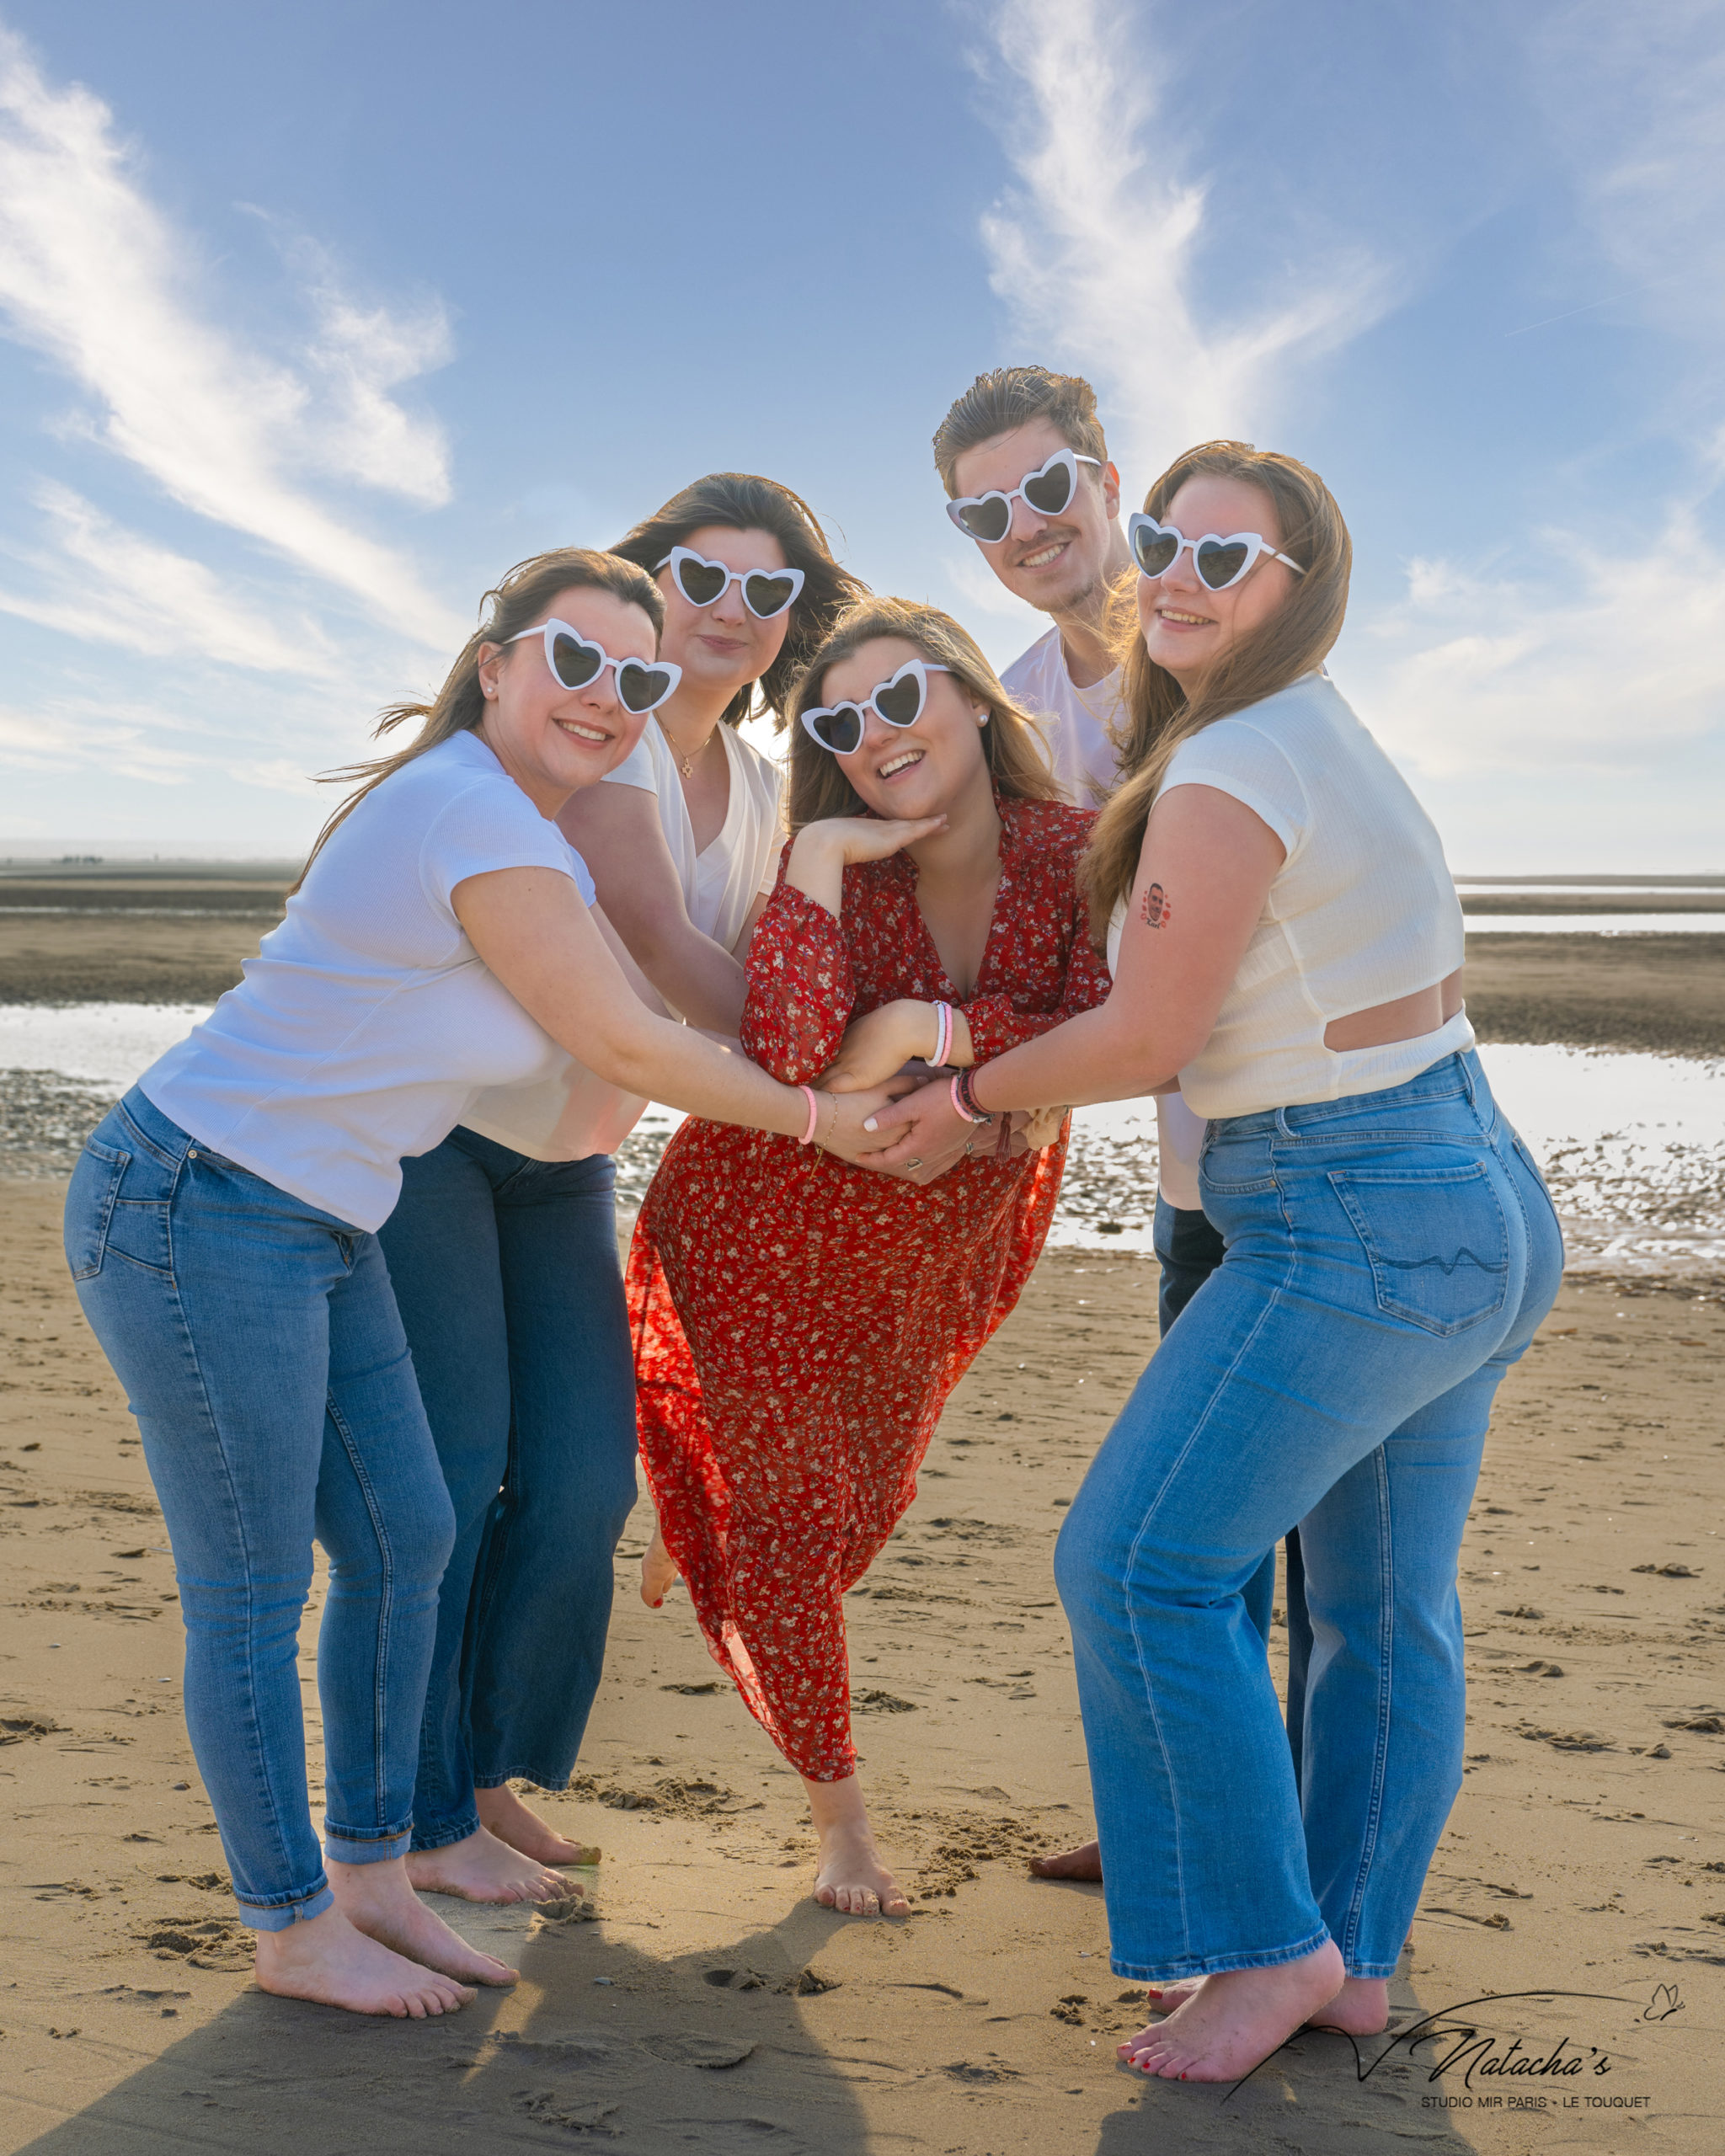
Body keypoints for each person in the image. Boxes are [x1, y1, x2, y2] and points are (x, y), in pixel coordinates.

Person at [62, 547, 894, 2018]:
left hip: (327, 1220)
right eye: (575, 660)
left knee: (409, 1540)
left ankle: (379, 1869)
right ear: (497, 663)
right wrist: (831, 1121)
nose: (608, 696)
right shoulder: (471, 811)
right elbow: (629, 1041)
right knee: (250, 1591)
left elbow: (643, 1016)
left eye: (637, 677)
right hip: (198, 1200)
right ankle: (289, 1923)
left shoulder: (525, 825)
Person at [857, 442, 1564, 2079]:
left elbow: (1149, 1033)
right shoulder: (1304, 730)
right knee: (1379, 1613)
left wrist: (965, 1095)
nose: (1175, 572)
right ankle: (1348, 1958)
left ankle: (1265, 1945)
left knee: (1136, 1566)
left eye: (1223, 557)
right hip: (1468, 1193)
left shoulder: (1234, 761)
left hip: (1350, 1208)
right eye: (1168, 541)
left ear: (1298, 591)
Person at [381, 479, 865, 1908]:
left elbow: (780, 964)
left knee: (585, 1482)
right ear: (651, 586)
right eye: (701, 577)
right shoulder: (612, 737)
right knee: (458, 1477)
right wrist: (838, 1083)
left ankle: (481, 1779)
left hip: (568, 1159)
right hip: (438, 1141)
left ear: (793, 623)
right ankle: (417, 1813)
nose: (732, 609)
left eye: (768, 591)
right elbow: (659, 945)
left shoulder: (767, 787)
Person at [628, 598, 1112, 1918]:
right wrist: (823, 857)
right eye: (840, 723)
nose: (876, 734)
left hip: (931, 1247)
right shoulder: (832, 867)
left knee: (859, 1513)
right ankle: (841, 1823)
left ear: (974, 699)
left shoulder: (1078, 851)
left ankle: (703, 1510)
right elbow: (792, 1053)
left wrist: (921, 1033)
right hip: (762, 1223)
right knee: (792, 1530)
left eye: (902, 698)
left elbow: (1107, 1027)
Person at [935, 366, 1295, 1884]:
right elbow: (1042, 944)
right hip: (1194, 1168)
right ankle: (1182, 1820)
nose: (1025, 527)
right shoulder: (1018, 711)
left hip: (1322, 1143)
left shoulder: (1225, 638)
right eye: (985, 513)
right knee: (1202, 1536)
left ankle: (1304, 1867)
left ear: (1105, 479)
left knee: (1334, 1560)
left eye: (1046, 487)